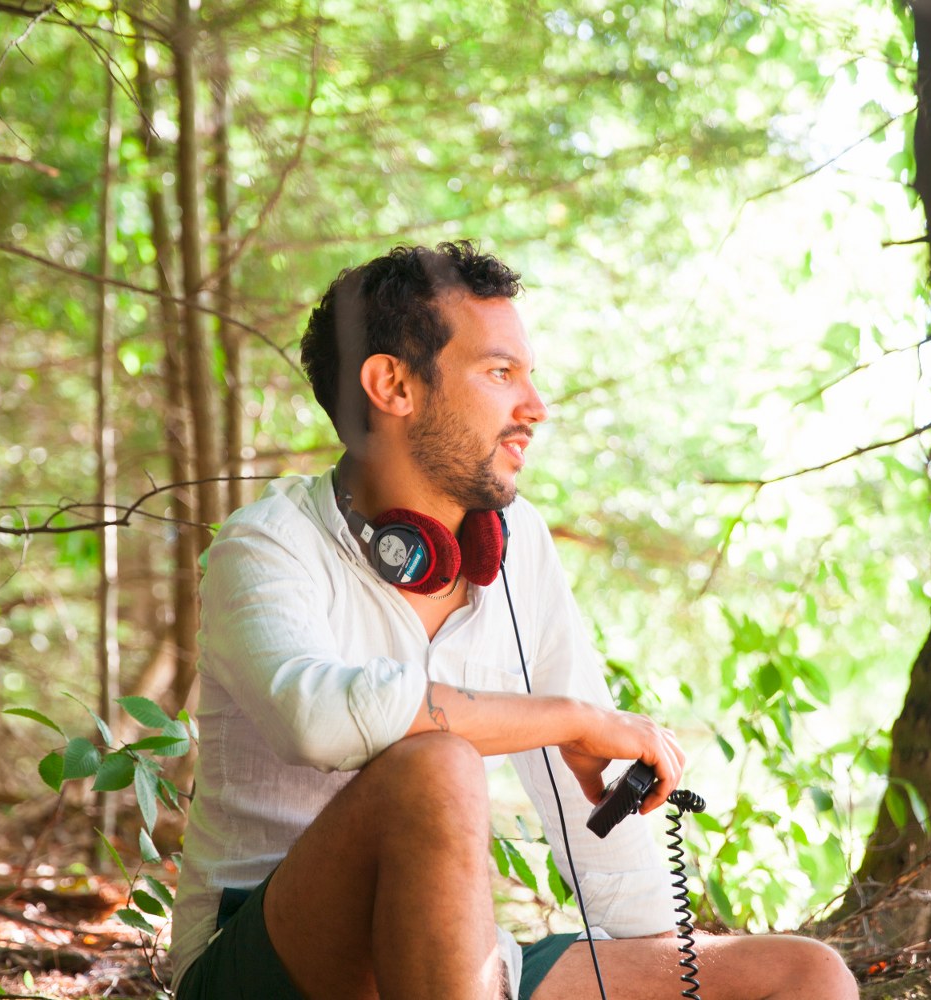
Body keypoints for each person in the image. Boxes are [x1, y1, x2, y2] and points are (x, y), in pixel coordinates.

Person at [169, 241, 858, 1000]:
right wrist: (570, 719)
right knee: (437, 765)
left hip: (460, 967)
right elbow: (316, 720)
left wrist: (661, 961)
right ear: (392, 384)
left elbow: (589, 784)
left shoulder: (515, 541)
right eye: (501, 373)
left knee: (806, 976)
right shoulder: (267, 543)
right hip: (267, 966)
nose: (535, 406)